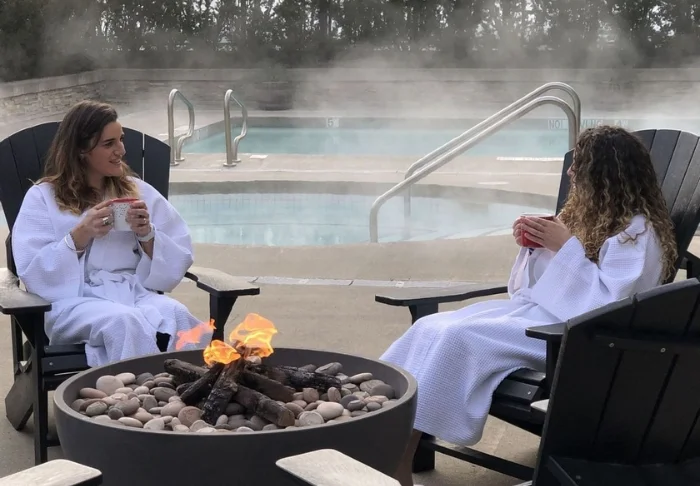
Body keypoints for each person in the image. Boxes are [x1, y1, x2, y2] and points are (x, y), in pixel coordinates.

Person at [381, 125, 679, 486]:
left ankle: (397, 461)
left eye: (579, 164)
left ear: (603, 174)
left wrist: (564, 247)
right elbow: (534, 288)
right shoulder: (595, 219)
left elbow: (610, 307)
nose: (570, 171)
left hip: (578, 341)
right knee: (428, 328)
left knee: (457, 337)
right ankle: (389, 439)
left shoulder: (637, 234)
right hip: (543, 318)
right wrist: (537, 246)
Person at [11, 100, 208, 367]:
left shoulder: (138, 191)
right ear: (81, 150)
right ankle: (137, 391)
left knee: (179, 314)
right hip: (72, 303)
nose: (121, 150)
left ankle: (191, 387)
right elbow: (33, 271)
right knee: (123, 322)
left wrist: (147, 234)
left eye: (121, 140)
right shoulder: (43, 198)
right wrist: (79, 235)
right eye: (109, 144)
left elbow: (179, 254)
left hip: (133, 293)